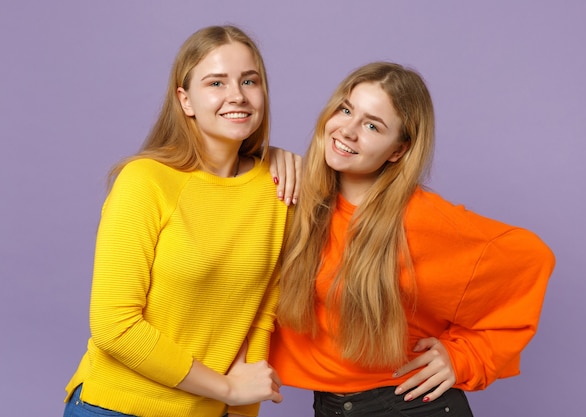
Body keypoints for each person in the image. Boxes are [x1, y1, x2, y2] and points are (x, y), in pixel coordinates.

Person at [270, 62, 555, 417]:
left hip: (406, 405)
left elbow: (532, 258)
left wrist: (466, 357)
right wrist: (265, 156)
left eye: (373, 125)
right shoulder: (298, 200)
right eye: (346, 110)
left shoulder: (419, 220)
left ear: (398, 151)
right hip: (331, 406)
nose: (348, 130)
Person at [63, 25, 302, 417]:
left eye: (249, 81)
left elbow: (261, 317)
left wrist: (239, 409)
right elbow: (113, 324)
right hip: (117, 407)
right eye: (215, 83)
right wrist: (225, 388)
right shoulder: (145, 181)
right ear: (185, 99)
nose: (237, 95)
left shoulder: (278, 189)